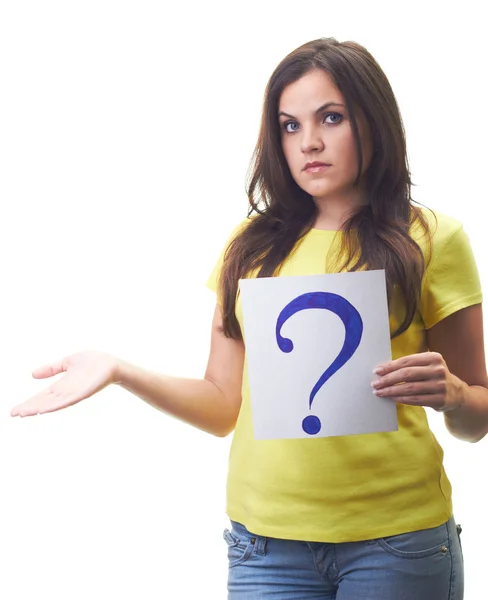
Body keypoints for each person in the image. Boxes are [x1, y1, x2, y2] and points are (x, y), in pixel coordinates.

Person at [11, 37, 487, 599]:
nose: (308, 141)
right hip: (265, 547)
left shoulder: (432, 238)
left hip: (397, 542)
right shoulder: (251, 247)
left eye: (330, 118)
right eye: (289, 126)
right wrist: (120, 370)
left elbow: (477, 419)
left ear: (373, 122)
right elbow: (221, 406)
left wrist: (454, 394)